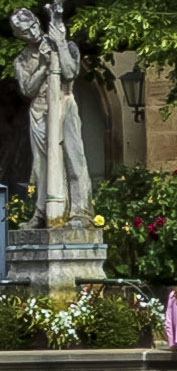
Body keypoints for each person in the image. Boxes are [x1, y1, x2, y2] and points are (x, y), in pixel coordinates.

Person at [10, 3, 89, 227]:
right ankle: (43, 213)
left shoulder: (65, 45)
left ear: (37, 23)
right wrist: (44, 66)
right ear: (19, 35)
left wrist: (61, 43)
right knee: (41, 165)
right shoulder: (22, 60)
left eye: (33, 26)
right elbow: (27, 89)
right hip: (39, 110)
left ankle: (80, 213)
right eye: (25, 31)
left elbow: (70, 71)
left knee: (73, 159)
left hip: (63, 105)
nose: (32, 32)